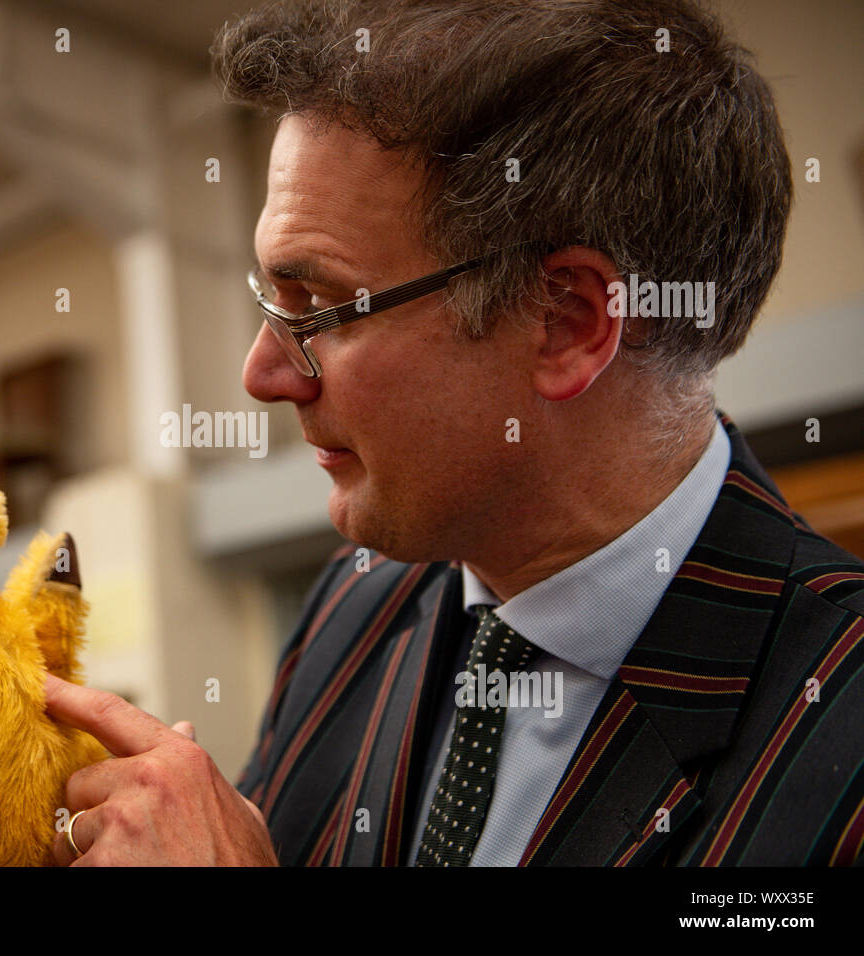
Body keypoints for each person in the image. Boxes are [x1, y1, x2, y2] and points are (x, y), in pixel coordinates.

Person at [42, 0, 864, 866]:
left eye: (317, 305)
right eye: (269, 303)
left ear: (567, 320)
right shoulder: (352, 613)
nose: (263, 374)